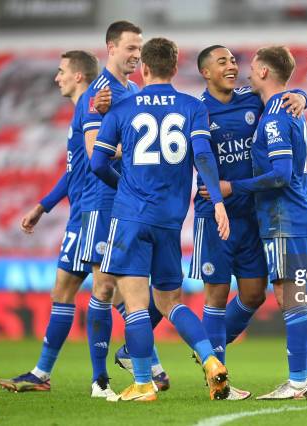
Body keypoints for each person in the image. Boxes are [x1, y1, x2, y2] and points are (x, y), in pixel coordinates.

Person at [91, 37, 231, 402]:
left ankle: (142, 384)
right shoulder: (191, 107)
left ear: (144, 68)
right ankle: (211, 360)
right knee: (170, 302)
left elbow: (97, 163)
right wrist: (217, 200)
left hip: (131, 216)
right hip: (170, 220)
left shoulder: (123, 108)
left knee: (136, 304)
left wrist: (124, 186)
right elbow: (203, 155)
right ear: (174, 66)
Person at [188, 45, 307, 400]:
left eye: (232, 60)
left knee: (255, 294)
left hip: (253, 214)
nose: (231, 66)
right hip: (215, 214)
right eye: (222, 61)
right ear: (206, 72)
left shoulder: (251, 101)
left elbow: (281, 101)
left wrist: (301, 96)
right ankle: (218, 378)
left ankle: (205, 348)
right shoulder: (197, 110)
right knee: (216, 294)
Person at [0, 50, 98, 393]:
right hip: (81, 214)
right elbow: (75, 172)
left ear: (78, 76)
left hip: (91, 216)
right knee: (67, 292)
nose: (57, 77)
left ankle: (147, 368)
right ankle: (41, 374)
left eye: (61, 71)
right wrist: (43, 206)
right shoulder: (80, 111)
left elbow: (96, 165)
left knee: (115, 294)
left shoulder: (88, 108)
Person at [78, 20, 168, 398]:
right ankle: (101, 381)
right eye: (131, 47)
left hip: (131, 205)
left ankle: (139, 354)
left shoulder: (131, 91)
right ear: (110, 47)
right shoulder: (99, 93)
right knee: (103, 285)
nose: (137, 54)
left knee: (144, 292)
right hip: (103, 201)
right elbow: (93, 151)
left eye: (140, 48)